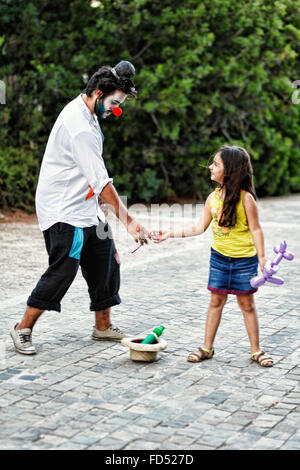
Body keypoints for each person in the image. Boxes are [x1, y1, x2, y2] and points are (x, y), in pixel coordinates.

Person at [10, 61, 151, 355]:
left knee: (106, 260)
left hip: (86, 206)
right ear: (98, 93)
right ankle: (22, 328)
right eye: (114, 102)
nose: (115, 109)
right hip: (63, 210)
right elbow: (102, 180)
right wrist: (130, 222)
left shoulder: (88, 112)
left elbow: (90, 174)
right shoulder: (80, 128)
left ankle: (102, 327)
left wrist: (100, 202)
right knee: (63, 269)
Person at [153, 145, 273, 367]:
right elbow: (199, 227)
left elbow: (256, 229)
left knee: (247, 305)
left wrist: (263, 257)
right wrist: (169, 233)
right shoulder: (212, 198)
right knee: (216, 302)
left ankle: (256, 350)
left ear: (230, 171)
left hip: (244, 261)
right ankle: (207, 348)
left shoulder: (246, 199)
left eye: (216, 164)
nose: (210, 166)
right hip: (219, 259)